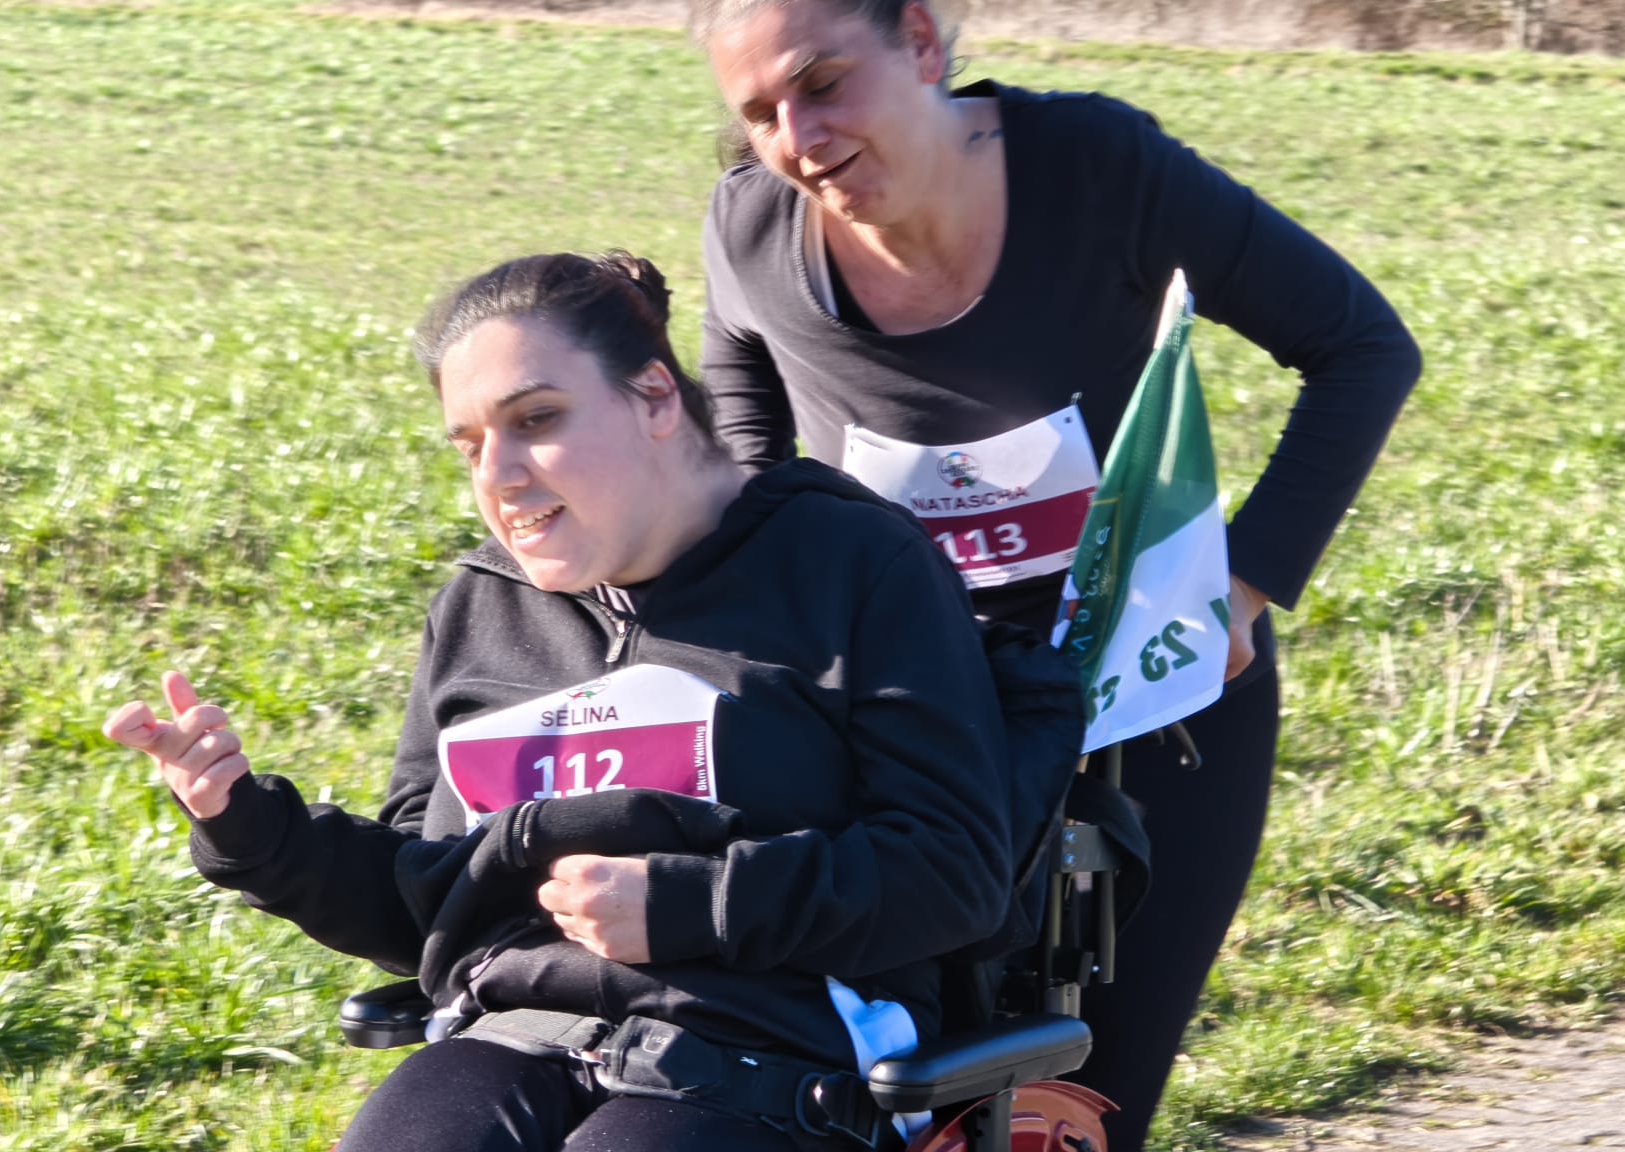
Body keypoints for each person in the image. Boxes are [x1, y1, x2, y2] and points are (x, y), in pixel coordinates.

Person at [102, 251, 1066, 1151]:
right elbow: (425, 901)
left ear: (653, 396)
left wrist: (695, 907)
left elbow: (954, 871)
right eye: (471, 444)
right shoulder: (484, 604)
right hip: (511, 1033)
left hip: (777, 1053)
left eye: (538, 420)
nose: (498, 477)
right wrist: (247, 826)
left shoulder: (855, 565)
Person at [688, 0, 1423, 1143]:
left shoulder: (1094, 171)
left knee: (1091, 1106)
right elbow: (741, 475)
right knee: (900, 1100)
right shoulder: (748, 234)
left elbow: (1360, 346)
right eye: (759, 113)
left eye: (823, 82)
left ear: (921, 44)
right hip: (906, 721)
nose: (799, 135)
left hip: (1155, 696)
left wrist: (1240, 588)